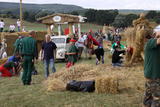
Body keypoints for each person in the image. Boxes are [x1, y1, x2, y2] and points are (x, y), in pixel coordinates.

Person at [143, 30, 160, 107]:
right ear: (154, 35)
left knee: (148, 96)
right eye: (158, 36)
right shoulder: (150, 43)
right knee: (157, 98)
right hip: (153, 75)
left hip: (151, 75)